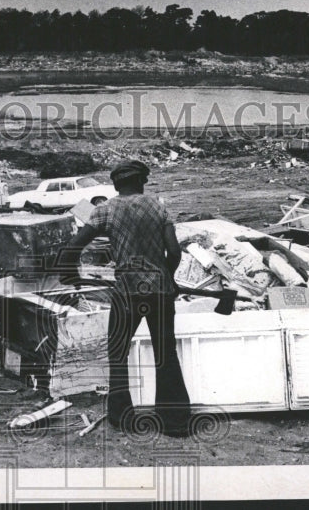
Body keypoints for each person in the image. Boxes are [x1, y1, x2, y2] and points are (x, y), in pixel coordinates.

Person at [57, 160, 190, 437]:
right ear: (142, 181)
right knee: (166, 354)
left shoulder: (105, 210)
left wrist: (70, 276)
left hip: (127, 292)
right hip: (160, 292)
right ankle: (175, 423)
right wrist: (169, 278)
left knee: (117, 354)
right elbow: (174, 252)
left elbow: (73, 248)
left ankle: (122, 418)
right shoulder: (158, 207)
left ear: (116, 185)